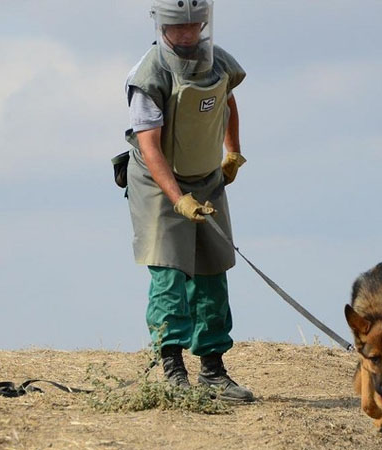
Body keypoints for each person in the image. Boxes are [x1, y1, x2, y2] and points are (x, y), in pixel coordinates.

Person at [122, 0, 252, 402]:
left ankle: (213, 370)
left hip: (206, 178)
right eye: (180, 26)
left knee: (213, 269)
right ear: (162, 25)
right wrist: (178, 199)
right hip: (158, 182)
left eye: (196, 25)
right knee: (170, 272)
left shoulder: (218, 62)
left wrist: (232, 152)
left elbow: (227, 101)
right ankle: (173, 370)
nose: (188, 33)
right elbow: (150, 146)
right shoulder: (150, 75)